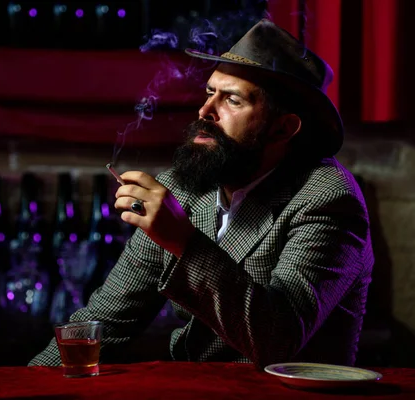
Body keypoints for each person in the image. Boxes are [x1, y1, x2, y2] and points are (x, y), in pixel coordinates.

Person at [29, 18, 373, 369]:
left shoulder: (328, 198)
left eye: (232, 100)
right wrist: (32, 385)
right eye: (210, 92)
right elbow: (108, 320)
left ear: (283, 127)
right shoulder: (183, 187)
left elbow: (278, 340)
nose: (205, 111)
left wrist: (183, 240)